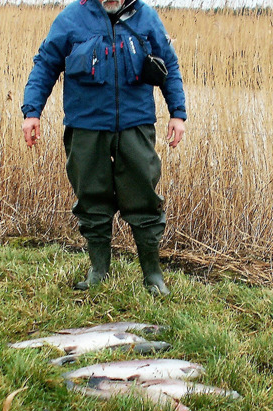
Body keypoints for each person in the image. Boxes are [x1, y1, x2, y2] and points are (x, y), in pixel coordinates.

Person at [21, 0, 187, 296]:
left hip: (135, 125)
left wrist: (177, 113)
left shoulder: (146, 17)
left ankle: (152, 275)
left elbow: (169, 64)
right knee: (91, 198)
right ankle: (98, 270)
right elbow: (45, 64)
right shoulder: (71, 18)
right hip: (86, 127)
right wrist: (32, 112)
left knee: (144, 198)